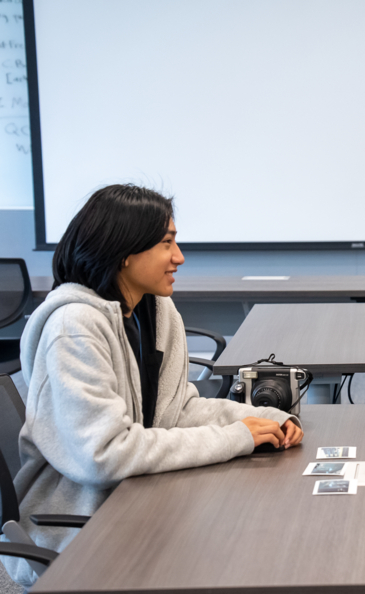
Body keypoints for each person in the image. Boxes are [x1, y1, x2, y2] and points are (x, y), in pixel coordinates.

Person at [1, 185, 303, 587]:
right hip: (87, 533)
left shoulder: (156, 312)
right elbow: (104, 455)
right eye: (166, 243)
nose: (178, 257)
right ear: (125, 251)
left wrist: (264, 419)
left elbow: (177, 412)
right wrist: (236, 437)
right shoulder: (73, 328)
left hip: (144, 502)